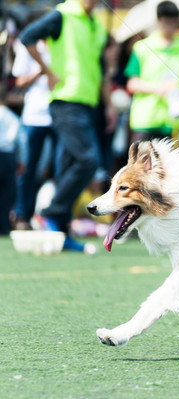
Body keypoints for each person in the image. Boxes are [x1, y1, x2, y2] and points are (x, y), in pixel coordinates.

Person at [19, 0, 116, 252]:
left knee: (70, 165)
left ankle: (61, 232)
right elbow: (27, 36)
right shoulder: (62, 15)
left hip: (88, 104)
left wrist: (108, 106)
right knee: (88, 160)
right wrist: (47, 71)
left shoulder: (96, 25)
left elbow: (100, 69)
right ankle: (51, 212)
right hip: (66, 101)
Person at [125, 1, 179, 143]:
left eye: (172, 23)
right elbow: (132, 83)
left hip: (175, 122)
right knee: (142, 164)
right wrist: (159, 88)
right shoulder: (142, 48)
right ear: (158, 21)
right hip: (146, 120)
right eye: (165, 22)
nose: (168, 27)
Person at [11, 27, 56, 230]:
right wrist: (42, 70)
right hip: (35, 116)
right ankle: (22, 215)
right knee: (28, 168)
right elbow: (19, 81)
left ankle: (52, 217)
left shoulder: (62, 45)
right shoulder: (28, 47)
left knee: (57, 169)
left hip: (60, 114)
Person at [0, 102, 27, 235]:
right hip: (7, 156)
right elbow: (21, 140)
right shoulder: (12, 117)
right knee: (6, 195)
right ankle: (4, 227)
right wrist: (22, 160)